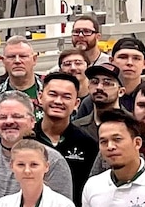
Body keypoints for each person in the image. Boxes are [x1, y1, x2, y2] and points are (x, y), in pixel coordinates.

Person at [33, 71, 97, 199]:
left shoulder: (88, 144)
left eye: (66, 97)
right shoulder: (26, 139)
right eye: (52, 94)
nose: (58, 101)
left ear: (76, 103)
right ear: (40, 97)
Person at [74, 62, 123, 133]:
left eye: (107, 83)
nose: (99, 87)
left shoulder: (133, 124)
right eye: (94, 82)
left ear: (121, 91)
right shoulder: (76, 129)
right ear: (88, 87)